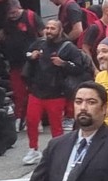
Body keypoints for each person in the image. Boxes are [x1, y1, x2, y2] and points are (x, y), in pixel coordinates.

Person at [21, 19, 90, 165]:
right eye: (47, 28)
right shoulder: (39, 43)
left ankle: (58, 151)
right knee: (32, 121)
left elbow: (78, 67)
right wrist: (31, 56)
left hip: (56, 93)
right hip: (36, 91)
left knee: (56, 125)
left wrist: (63, 63)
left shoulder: (68, 47)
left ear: (59, 30)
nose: (49, 31)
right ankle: (33, 149)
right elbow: (26, 53)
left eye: (52, 28)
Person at [0, 0, 44, 132]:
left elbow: (43, 34)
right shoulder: (8, 21)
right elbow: (4, 32)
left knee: (34, 92)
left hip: (31, 62)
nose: (11, 16)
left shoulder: (31, 16)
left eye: (13, 13)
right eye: (9, 14)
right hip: (14, 62)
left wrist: (43, 51)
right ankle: (19, 118)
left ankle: (35, 121)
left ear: (19, 8)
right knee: (18, 93)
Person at [80, 0, 108, 70]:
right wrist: (94, 69)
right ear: (107, 11)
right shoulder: (95, 27)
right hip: (98, 68)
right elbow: (85, 48)